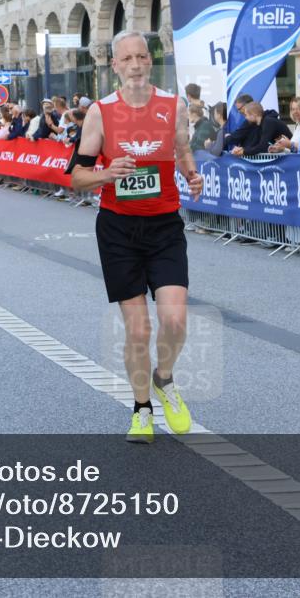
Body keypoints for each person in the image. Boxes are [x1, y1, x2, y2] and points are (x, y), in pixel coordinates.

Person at [69, 30, 203, 443]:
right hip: (118, 228)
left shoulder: (172, 105)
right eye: (127, 59)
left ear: (150, 61)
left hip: (164, 225)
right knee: (139, 330)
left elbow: (181, 150)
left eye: (142, 57)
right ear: (115, 66)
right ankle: (142, 409)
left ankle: (165, 379)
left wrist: (192, 175)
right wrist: (107, 174)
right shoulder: (100, 113)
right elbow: (76, 177)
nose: (136, 65)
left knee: (176, 320)